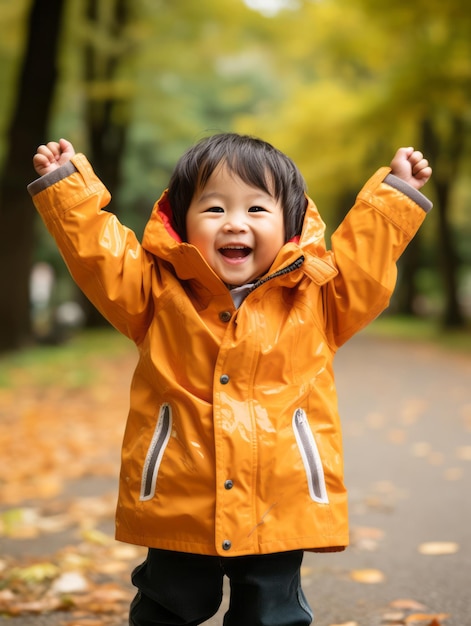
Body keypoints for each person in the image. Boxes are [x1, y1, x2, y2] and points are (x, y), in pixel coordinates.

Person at [28, 133, 432, 626]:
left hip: (278, 497)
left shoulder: (319, 299)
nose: (235, 223)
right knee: (170, 604)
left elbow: (365, 262)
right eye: (214, 208)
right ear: (181, 222)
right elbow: (99, 256)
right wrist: (68, 189)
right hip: (181, 491)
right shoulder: (154, 293)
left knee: (272, 612)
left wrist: (395, 195)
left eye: (257, 209)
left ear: (290, 225)